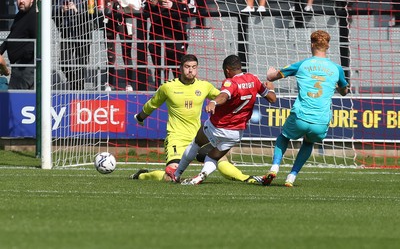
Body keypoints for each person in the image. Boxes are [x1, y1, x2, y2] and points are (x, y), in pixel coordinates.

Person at [131, 54, 264, 185]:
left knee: (221, 160)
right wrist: (140, 117)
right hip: (176, 138)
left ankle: (248, 178)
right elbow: (152, 104)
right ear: (180, 68)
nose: (190, 70)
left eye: (194, 67)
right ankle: (142, 175)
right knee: (170, 176)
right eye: (187, 67)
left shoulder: (204, 86)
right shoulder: (168, 87)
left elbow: (225, 97)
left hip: (199, 136)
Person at [263, 30, 350, 187]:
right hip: (321, 120)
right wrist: (341, 86)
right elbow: (344, 91)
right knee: (308, 143)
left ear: (311, 44)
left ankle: (275, 167)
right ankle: (292, 176)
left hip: (301, 116)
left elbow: (272, 77)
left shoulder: (302, 64)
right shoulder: (337, 69)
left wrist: (270, 73)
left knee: (283, 137)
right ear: (328, 46)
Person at [173, 54, 277, 185]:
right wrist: (271, 88)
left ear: (227, 70)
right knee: (213, 156)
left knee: (196, 143)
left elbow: (223, 95)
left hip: (218, 126)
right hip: (236, 133)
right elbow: (272, 99)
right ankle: (201, 175)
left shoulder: (231, 82)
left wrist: (213, 103)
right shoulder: (254, 79)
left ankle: (177, 174)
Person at [142, 0, 196, 88]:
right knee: (160, 71)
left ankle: (181, 95)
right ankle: (161, 96)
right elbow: (142, 9)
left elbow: (193, 9)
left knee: (179, 69)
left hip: (177, 36)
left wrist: (174, 6)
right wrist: (151, 5)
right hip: (157, 36)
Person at [53, 0, 100, 90]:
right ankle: (76, 86)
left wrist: (76, 10)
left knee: (82, 61)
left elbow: (93, 13)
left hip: (84, 30)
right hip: (67, 30)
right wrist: (61, 9)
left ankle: (78, 88)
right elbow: (53, 9)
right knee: (64, 60)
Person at [100, 0, 141, 91]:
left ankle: (129, 83)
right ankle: (109, 83)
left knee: (127, 51)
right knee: (110, 52)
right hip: (110, 16)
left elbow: (134, 0)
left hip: (125, 16)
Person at [0, 0, 36, 90]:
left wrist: (24, 56)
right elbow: (12, 36)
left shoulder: (33, 16)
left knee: (15, 98)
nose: (21, 1)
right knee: (25, 100)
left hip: (25, 68)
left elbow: (37, 39)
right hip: (18, 68)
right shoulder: (19, 15)